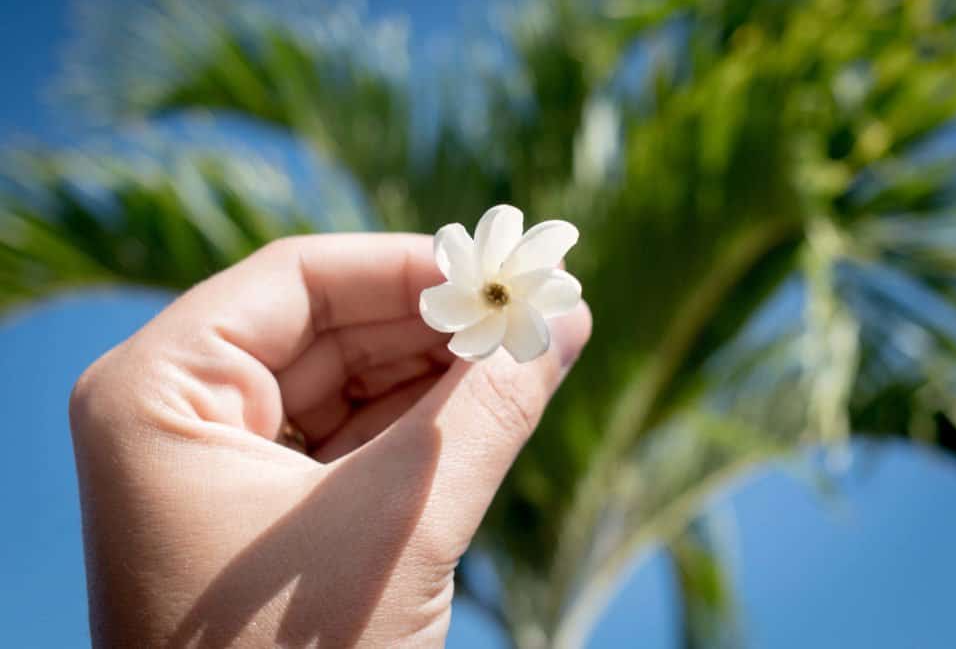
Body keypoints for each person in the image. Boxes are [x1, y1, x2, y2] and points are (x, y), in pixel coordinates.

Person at [69, 233, 591, 647]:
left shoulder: (514, 301)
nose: (497, 293)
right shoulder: (463, 300)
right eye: (496, 290)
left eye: (498, 292)